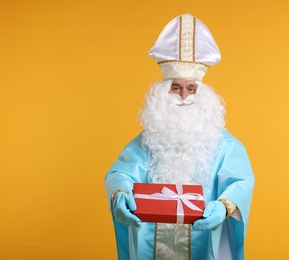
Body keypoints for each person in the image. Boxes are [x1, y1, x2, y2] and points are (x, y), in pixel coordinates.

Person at [104, 14, 255, 260]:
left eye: (191, 88)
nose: (183, 95)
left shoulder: (225, 145)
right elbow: (120, 173)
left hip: (203, 242)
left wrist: (225, 206)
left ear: (202, 94)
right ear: (162, 93)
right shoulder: (148, 141)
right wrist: (120, 194)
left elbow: (241, 182)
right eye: (176, 87)